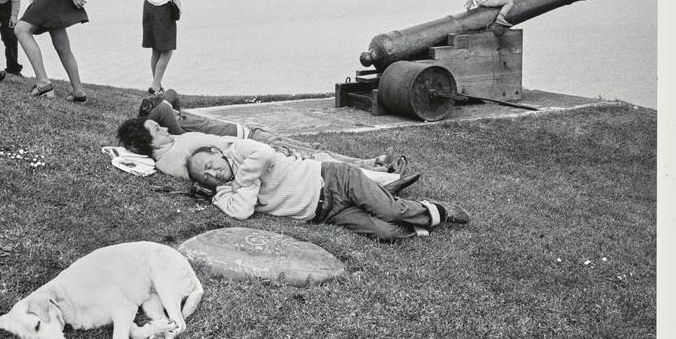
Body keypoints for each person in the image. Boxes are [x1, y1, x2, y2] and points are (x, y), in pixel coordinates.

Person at [187, 139, 470, 242]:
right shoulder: (222, 195)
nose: (212, 173)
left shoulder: (239, 150)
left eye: (210, 164)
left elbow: (265, 155)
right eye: (206, 175)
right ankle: (419, 219)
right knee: (385, 232)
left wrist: (243, 180)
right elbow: (242, 211)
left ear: (216, 152)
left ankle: (439, 211)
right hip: (326, 213)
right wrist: (243, 183)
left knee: (389, 209)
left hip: (333, 179)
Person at [115, 117, 419, 193]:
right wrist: (267, 152)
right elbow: (215, 165)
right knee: (319, 164)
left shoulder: (174, 143)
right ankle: (380, 180)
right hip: (253, 158)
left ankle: (380, 175)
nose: (163, 129)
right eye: (156, 129)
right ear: (147, 144)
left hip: (253, 149)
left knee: (319, 158)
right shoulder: (171, 157)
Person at [138, 90, 398, 171]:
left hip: (252, 131)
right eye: (157, 124)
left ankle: (368, 163)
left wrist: (177, 108)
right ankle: (371, 169)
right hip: (252, 139)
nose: (162, 125)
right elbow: (163, 104)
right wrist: (164, 111)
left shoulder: (175, 124)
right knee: (311, 157)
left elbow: (169, 95)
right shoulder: (177, 134)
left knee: (313, 150)